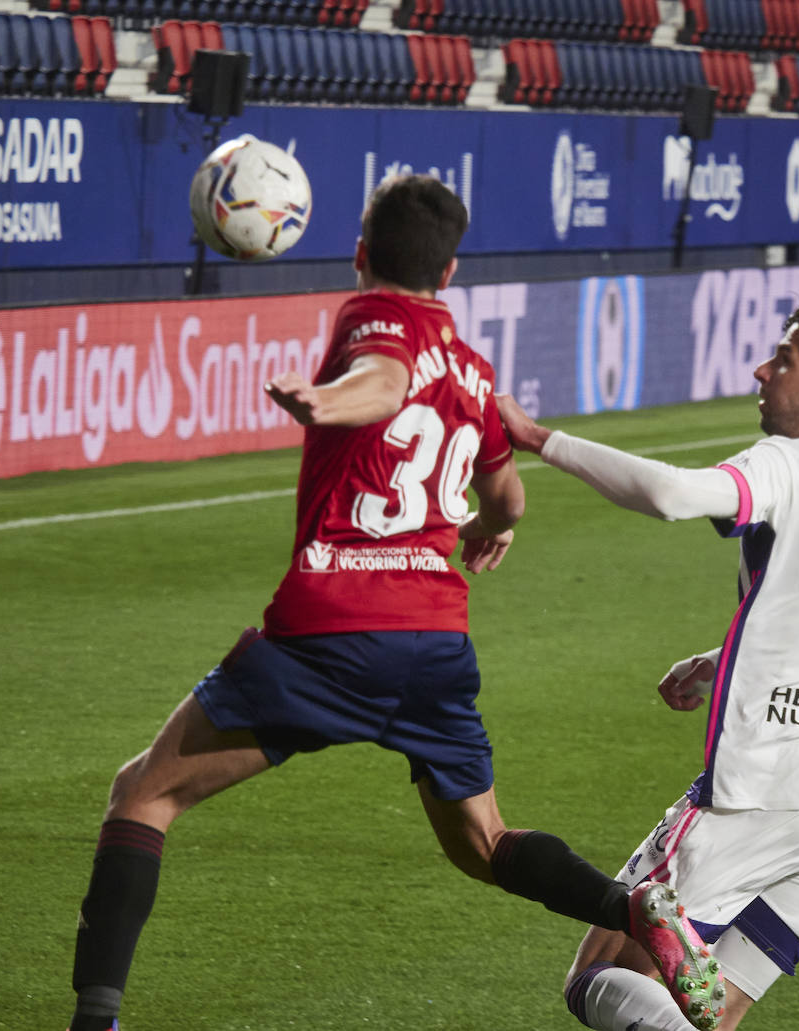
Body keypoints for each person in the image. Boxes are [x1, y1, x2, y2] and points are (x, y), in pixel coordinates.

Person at [64, 175, 724, 1031]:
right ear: (449, 270)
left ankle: (95, 1020)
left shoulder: (373, 316)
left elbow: (383, 378)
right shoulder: (476, 367)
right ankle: (634, 908)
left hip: (332, 630)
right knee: (483, 844)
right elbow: (510, 497)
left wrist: (325, 400)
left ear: (362, 253)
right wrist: (488, 525)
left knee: (144, 795)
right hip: (435, 642)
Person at [496, 296, 799, 1031]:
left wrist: (539, 438)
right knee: (710, 1014)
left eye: (784, 358)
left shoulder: (791, 462)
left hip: (770, 789)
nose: (762, 370)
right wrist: (716, 661)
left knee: (600, 973)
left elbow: (672, 494)